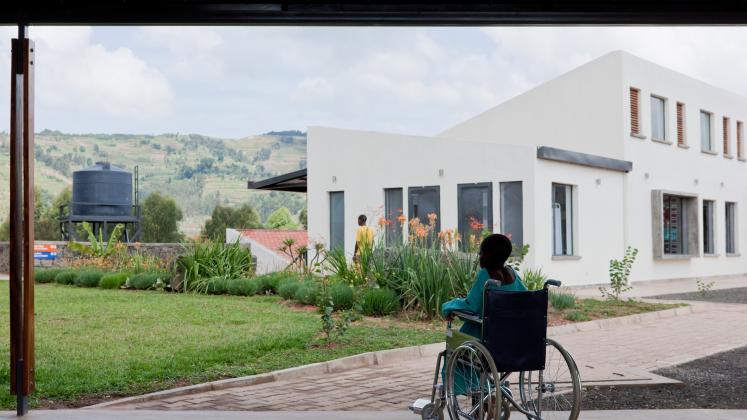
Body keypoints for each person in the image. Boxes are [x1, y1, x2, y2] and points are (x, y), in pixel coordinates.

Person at [441, 233, 527, 338]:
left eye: (481, 253)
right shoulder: (512, 273)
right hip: (511, 334)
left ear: (487, 255)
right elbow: (525, 297)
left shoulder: (486, 275)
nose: (479, 257)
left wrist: (449, 306)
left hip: (486, 335)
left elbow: (470, 306)